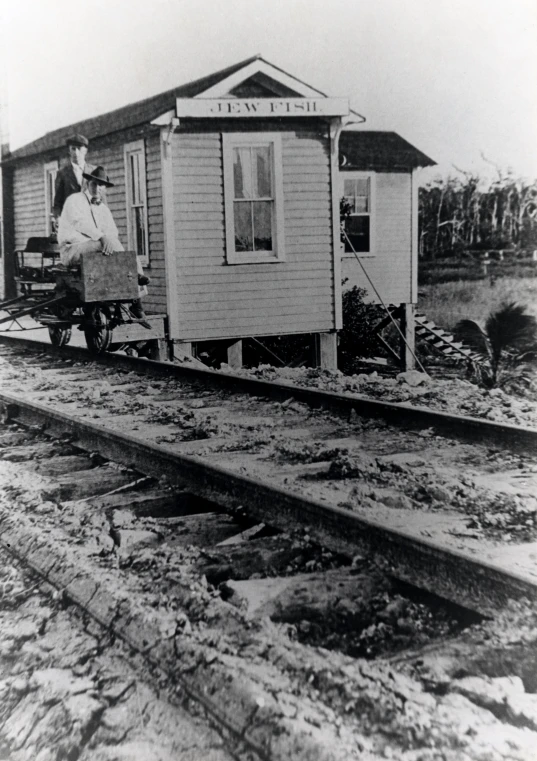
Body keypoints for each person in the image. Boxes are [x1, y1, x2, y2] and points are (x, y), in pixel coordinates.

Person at [57, 165, 151, 327]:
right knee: (112, 248)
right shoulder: (75, 200)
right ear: (87, 184)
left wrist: (106, 239)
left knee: (124, 253)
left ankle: (136, 298)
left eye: (101, 185)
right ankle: (136, 290)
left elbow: (112, 232)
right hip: (72, 249)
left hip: (95, 249)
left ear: (105, 189)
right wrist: (102, 237)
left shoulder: (103, 209)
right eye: (94, 184)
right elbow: (79, 223)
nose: (97, 188)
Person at [52, 134, 95, 222]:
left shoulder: (94, 172)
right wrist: (58, 219)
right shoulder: (62, 174)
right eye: (73, 149)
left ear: (85, 150)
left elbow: (102, 200)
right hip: (70, 222)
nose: (76, 153)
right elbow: (57, 203)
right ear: (69, 151)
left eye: (79, 149)